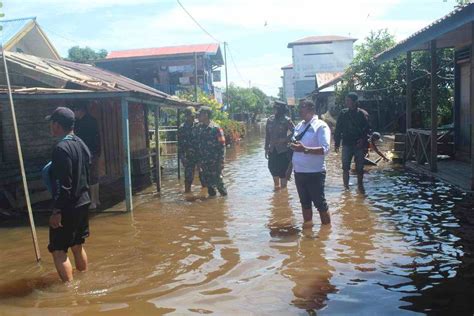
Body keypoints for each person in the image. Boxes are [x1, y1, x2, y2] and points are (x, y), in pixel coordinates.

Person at [45, 107, 91, 282]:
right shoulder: (82, 144)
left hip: (68, 206)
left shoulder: (61, 149)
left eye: (52, 123)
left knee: (59, 251)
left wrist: (57, 212)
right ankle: (84, 279)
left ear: (57, 125)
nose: (51, 126)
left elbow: (64, 184)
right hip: (84, 201)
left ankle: (71, 292)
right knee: (77, 245)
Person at [290, 100, 331, 226]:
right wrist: (289, 169)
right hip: (299, 172)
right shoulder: (299, 126)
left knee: (320, 204)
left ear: (311, 109)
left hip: (315, 172)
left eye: (302, 107)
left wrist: (305, 149)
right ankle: (307, 230)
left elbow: (325, 149)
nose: (299, 110)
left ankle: (326, 231)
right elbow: (295, 149)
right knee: (305, 203)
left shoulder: (321, 126)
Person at [334, 92, 371, 193]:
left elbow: (368, 130)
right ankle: (346, 188)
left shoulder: (362, 114)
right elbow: (338, 129)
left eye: (348, 101)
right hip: (346, 144)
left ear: (355, 102)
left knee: (359, 168)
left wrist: (363, 140)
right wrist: (337, 143)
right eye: (346, 101)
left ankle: (360, 186)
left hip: (359, 145)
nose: (346, 103)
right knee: (345, 167)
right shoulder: (343, 113)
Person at [72, 101, 101, 209]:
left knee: (90, 177)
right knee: (95, 176)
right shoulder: (92, 120)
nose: (74, 113)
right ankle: (96, 200)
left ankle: (93, 202)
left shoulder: (82, 123)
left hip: (88, 153)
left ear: (80, 111)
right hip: (94, 152)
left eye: (75, 111)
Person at [197, 106, 227, 197]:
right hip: (204, 162)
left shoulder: (216, 128)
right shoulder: (199, 128)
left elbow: (222, 146)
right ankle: (212, 206)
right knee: (209, 185)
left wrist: (221, 161)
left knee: (219, 184)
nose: (198, 116)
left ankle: (223, 206)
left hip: (215, 161)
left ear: (206, 115)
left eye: (200, 114)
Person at [264, 100, 295, 189]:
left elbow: (295, 132)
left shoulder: (287, 120)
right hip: (272, 150)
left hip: (283, 150)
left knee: (283, 172)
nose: (274, 110)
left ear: (280, 110)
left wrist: (285, 139)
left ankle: (284, 191)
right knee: (273, 169)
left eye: (276, 109)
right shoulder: (270, 120)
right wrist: (266, 148)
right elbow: (267, 135)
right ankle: (277, 189)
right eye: (273, 108)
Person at [178, 106, 201, 193]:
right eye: (190, 116)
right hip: (188, 156)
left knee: (203, 176)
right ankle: (187, 194)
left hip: (200, 155)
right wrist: (182, 158)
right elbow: (180, 145)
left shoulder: (199, 125)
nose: (192, 117)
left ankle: (205, 195)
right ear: (186, 116)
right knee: (188, 177)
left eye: (193, 116)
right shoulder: (182, 128)